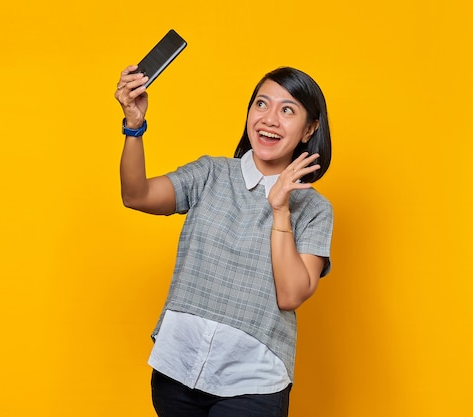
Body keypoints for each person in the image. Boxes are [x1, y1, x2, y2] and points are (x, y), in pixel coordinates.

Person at [114, 65, 333, 417]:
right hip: (178, 368)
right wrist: (133, 126)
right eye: (261, 104)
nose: (270, 119)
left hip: (253, 380)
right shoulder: (211, 173)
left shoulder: (314, 209)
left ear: (310, 129)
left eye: (287, 109)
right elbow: (136, 195)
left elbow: (290, 295)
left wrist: (280, 209)